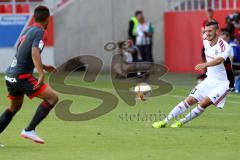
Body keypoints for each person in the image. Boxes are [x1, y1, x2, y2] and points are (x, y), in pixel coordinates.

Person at [152, 21, 234, 128]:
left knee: (204, 103)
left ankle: (181, 122)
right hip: (210, 79)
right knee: (189, 99)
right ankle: (165, 121)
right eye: (206, 31)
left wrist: (205, 64)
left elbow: (219, 60)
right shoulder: (205, 40)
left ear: (217, 31)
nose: (207, 33)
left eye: (210, 31)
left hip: (224, 83)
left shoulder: (224, 46)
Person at [0, 6, 59, 144]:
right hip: (21, 76)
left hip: (10, 75)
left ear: (35, 17)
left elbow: (21, 51)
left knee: (14, 107)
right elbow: (34, 52)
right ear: (47, 19)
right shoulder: (40, 32)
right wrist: (41, 74)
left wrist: (43, 66)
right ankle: (29, 130)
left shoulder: (28, 30)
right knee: (53, 98)